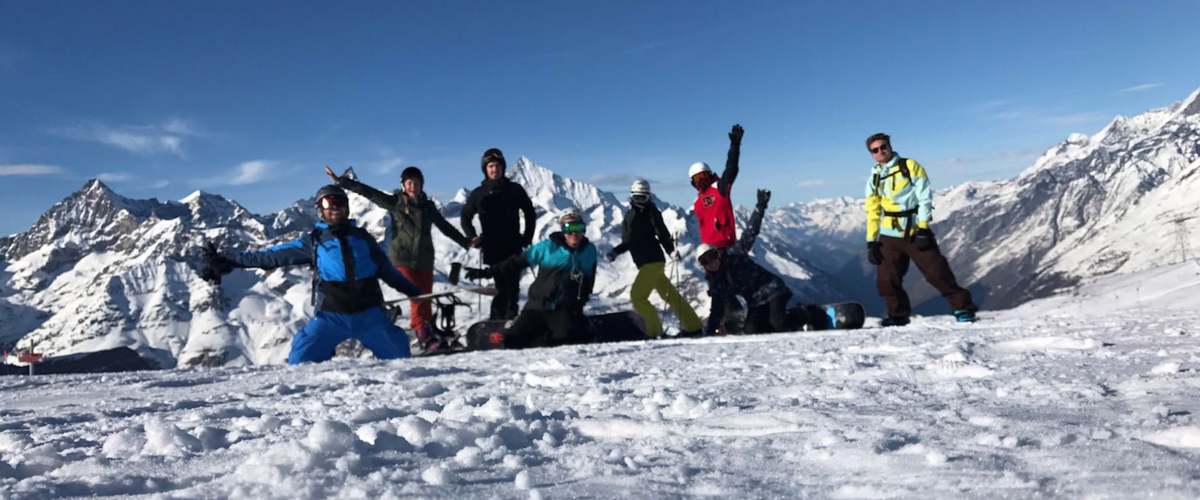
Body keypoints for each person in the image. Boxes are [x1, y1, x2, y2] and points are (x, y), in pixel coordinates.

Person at [199, 185, 423, 364]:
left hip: (370, 316)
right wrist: (229, 259)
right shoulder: (314, 241)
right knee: (301, 360)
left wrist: (412, 291)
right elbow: (271, 256)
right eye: (328, 203)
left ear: (347, 208)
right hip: (331, 317)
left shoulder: (364, 238)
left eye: (339, 203)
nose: (334, 207)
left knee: (399, 357)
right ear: (321, 210)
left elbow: (386, 270)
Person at [324, 165, 473, 351]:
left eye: (416, 183)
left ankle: (430, 333)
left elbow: (445, 227)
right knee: (417, 295)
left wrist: (466, 242)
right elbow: (369, 193)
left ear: (421, 185)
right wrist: (342, 182)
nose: (413, 187)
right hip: (402, 259)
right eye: (409, 183)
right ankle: (423, 335)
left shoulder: (428, 207)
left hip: (424, 260)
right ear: (403, 185)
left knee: (426, 299)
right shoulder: (395, 203)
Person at [863, 133, 977, 325]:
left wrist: (923, 228)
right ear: (871, 154)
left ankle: (963, 308)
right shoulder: (874, 178)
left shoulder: (909, 166)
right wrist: (872, 240)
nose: (880, 151)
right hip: (889, 233)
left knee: (936, 272)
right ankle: (897, 316)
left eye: (883, 147)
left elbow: (924, 197)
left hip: (914, 228)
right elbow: (873, 210)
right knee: (886, 280)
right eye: (875, 150)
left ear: (890, 147)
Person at [465, 209, 597, 348]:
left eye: (578, 227)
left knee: (567, 341)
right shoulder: (547, 248)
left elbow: (588, 280)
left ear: (584, 229)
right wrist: (487, 272)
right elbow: (515, 262)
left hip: (563, 308)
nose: (573, 233)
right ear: (563, 230)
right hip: (536, 306)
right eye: (569, 228)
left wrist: (579, 304)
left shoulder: (589, 251)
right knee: (512, 341)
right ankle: (543, 337)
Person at [607, 179, 702, 338]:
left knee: (638, 298)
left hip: (652, 262)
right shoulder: (631, 216)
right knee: (670, 295)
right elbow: (628, 241)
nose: (640, 202)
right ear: (631, 197)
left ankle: (655, 333)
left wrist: (671, 250)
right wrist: (616, 251)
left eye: (643, 198)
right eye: (637, 198)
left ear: (649, 197)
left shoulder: (652, 213)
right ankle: (694, 327)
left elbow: (663, 235)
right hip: (647, 262)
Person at [698, 189, 797, 336]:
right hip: (756, 301)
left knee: (778, 323)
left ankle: (806, 315)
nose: (711, 262)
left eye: (712, 256)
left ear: (717, 254)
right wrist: (710, 333)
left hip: (774, 289)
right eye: (705, 261)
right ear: (704, 266)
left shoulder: (734, 254)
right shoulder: (717, 283)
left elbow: (751, 232)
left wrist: (761, 206)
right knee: (752, 331)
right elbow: (717, 308)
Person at [460, 148, 537, 320]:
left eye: (497, 166)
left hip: (513, 245)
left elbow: (530, 212)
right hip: (493, 248)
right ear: (485, 170)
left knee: (513, 288)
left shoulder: (515, 190)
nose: (495, 169)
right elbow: (465, 217)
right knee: (503, 288)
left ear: (503, 168)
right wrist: (473, 237)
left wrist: (527, 237)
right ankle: (499, 323)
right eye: (491, 166)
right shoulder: (478, 194)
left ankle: (506, 323)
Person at [690, 124, 744, 249]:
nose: (701, 180)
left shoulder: (719, 188)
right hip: (709, 250)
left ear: (709, 175)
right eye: (697, 178)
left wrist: (735, 146)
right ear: (693, 183)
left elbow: (731, 169)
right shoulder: (697, 203)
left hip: (725, 245)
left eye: (703, 176)